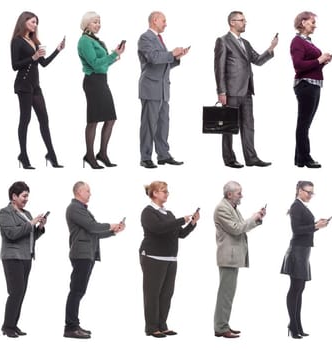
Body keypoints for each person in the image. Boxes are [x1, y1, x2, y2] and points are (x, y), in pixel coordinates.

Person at [214, 11, 277, 168]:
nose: (244, 23)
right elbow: (219, 69)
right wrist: (221, 91)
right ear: (232, 22)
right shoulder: (223, 41)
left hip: (247, 90)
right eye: (241, 20)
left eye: (244, 20)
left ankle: (251, 158)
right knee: (228, 127)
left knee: (249, 126)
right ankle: (229, 159)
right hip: (231, 92)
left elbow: (257, 60)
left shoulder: (246, 43)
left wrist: (271, 48)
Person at [63, 181, 125, 339]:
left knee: (79, 290)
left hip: (88, 254)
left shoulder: (82, 209)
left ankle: (74, 324)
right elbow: (92, 227)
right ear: (78, 192)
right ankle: (70, 327)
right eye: (87, 191)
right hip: (81, 254)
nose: (90, 194)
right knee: (76, 291)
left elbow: (93, 232)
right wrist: (111, 225)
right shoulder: (74, 208)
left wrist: (113, 231)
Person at [139, 181, 198, 337]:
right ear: (154, 193)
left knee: (166, 294)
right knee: (152, 293)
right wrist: (180, 220)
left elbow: (180, 234)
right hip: (153, 257)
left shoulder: (169, 213)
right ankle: (151, 328)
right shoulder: (148, 212)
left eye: (167, 191)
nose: (167, 193)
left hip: (170, 258)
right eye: (163, 191)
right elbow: (159, 229)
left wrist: (192, 223)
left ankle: (162, 325)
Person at [10, 11, 65, 169]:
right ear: (24, 22)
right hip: (23, 85)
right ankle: (24, 156)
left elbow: (44, 63)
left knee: (44, 120)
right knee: (25, 120)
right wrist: (32, 58)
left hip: (35, 86)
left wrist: (57, 50)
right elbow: (14, 66)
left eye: (36, 23)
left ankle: (51, 155)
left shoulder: (35, 41)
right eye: (33, 22)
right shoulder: (17, 41)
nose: (35, 25)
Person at [213, 181, 265, 338]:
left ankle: (223, 325)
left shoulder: (232, 207)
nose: (241, 195)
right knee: (226, 293)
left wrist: (256, 219)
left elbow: (241, 225)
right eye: (239, 193)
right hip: (228, 257)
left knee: (228, 293)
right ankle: (221, 327)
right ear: (229, 194)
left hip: (233, 257)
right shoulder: (222, 208)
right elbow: (236, 229)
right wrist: (253, 218)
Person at [138, 11, 189, 169]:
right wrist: (171, 53)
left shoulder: (159, 39)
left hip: (163, 89)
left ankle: (163, 155)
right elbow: (153, 58)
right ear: (154, 20)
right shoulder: (145, 38)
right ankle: (145, 157)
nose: (165, 24)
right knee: (149, 124)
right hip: (150, 88)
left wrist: (176, 58)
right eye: (163, 21)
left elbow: (163, 64)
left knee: (163, 124)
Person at [280, 181, 330, 338]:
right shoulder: (296, 206)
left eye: (312, 193)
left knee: (299, 289)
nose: (310, 195)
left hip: (303, 251)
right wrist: (316, 226)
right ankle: (293, 326)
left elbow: (304, 228)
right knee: (295, 289)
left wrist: (317, 224)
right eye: (308, 192)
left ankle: (297, 325)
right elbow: (296, 230)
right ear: (299, 191)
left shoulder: (301, 206)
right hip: (297, 252)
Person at [0, 181, 46, 337]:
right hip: (12, 257)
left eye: (27, 196)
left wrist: (39, 227)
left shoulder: (27, 214)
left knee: (21, 292)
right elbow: (12, 234)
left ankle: (13, 324)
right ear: (14, 196)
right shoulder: (5, 212)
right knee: (16, 292)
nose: (26, 199)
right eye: (24, 196)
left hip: (26, 257)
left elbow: (30, 236)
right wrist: (31, 223)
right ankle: (7, 327)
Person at [78, 11, 125, 169]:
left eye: (99, 22)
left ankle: (102, 153)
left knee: (110, 118)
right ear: (86, 24)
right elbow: (96, 64)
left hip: (101, 81)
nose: (98, 25)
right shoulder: (84, 40)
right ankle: (89, 155)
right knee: (93, 120)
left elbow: (103, 64)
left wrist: (115, 56)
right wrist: (112, 55)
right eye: (95, 22)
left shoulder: (95, 40)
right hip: (93, 82)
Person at [291, 11, 332, 168]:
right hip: (306, 85)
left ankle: (299, 159)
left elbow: (313, 64)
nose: (315, 25)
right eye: (312, 22)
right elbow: (298, 66)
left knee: (305, 124)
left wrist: (323, 62)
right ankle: (306, 158)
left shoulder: (308, 42)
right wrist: (319, 59)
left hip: (314, 84)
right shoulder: (297, 42)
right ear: (303, 23)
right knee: (303, 124)